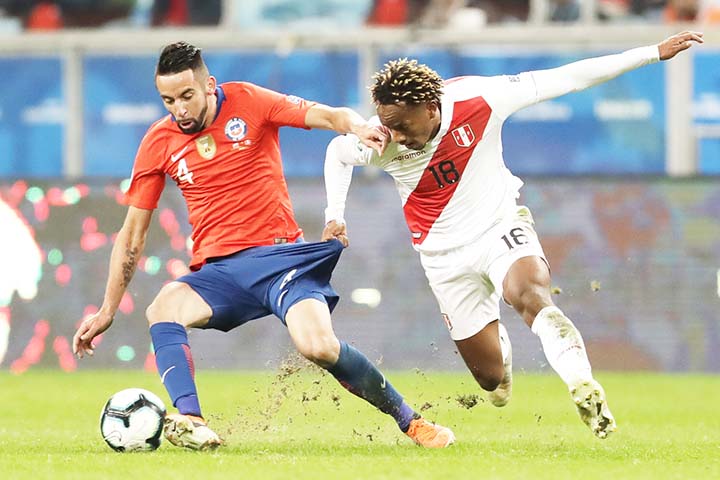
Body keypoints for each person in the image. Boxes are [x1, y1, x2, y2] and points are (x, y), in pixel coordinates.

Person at [72, 41, 455, 450]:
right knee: (163, 306)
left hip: (281, 262)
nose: (179, 109)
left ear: (208, 86)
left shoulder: (248, 100)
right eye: (168, 100)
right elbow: (132, 235)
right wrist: (107, 309)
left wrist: (357, 126)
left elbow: (325, 114)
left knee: (319, 346)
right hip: (220, 274)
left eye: (187, 96)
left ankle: (411, 423)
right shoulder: (158, 141)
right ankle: (192, 420)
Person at [322, 31, 703, 439]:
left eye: (402, 125)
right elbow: (337, 153)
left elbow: (568, 78)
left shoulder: (480, 98)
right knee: (490, 380)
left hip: (499, 226)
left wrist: (650, 54)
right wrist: (335, 214)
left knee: (530, 295)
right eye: (387, 124)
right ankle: (500, 351)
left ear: (432, 108)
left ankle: (582, 385)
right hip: (443, 257)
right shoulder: (378, 138)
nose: (394, 135)